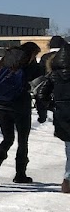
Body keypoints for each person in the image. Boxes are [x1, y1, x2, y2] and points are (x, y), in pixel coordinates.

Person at [0, 42, 43, 183]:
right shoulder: (28, 64)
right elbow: (40, 81)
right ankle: (20, 174)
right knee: (22, 140)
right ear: (32, 53)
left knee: (8, 138)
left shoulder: (6, 60)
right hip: (19, 105)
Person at [35, 45, 70, 193]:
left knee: (69, 147)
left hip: (62, 115)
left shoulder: (53, 75)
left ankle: (68, 181)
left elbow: (41, 94)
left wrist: (53, 106)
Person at [35, 36, 65, 124]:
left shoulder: (45, 57)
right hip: (63, 85)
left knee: (41, 95)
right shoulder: (66, 56)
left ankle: (42, 115)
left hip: (48, 84)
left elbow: (40, 72)